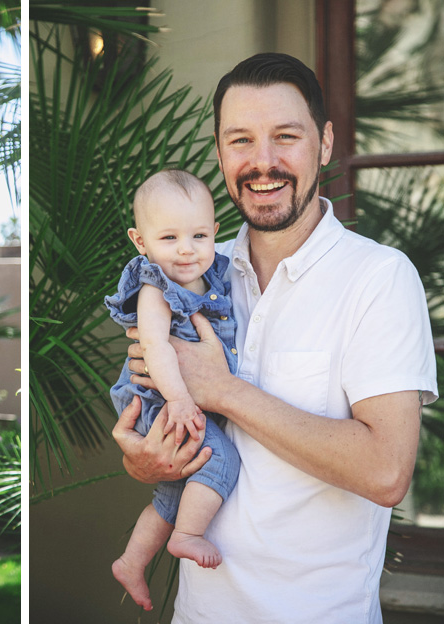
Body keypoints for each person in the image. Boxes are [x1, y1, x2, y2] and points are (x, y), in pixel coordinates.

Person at [112, 53, 438, 623]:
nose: (263, 162)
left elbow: (387, 472)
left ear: (325, 143)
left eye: (286, 136)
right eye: (240, 140)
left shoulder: (379, 278)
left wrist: (224, 390)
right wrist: (148, 462)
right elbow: (158, 406)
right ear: (218, 151)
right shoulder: (190, 273)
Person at [104, 170, 240, 611]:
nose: (186, 249)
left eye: (199, 235)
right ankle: (186, 535)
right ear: (140, 242)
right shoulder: (155, 288)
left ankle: (132, 560)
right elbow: (155, 347)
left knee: (172, 492)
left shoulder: (216, 273)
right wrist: (181, 399)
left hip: (177, 398)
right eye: (168, 238)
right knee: (219, 459)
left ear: (215, 234)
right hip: (159, 398)